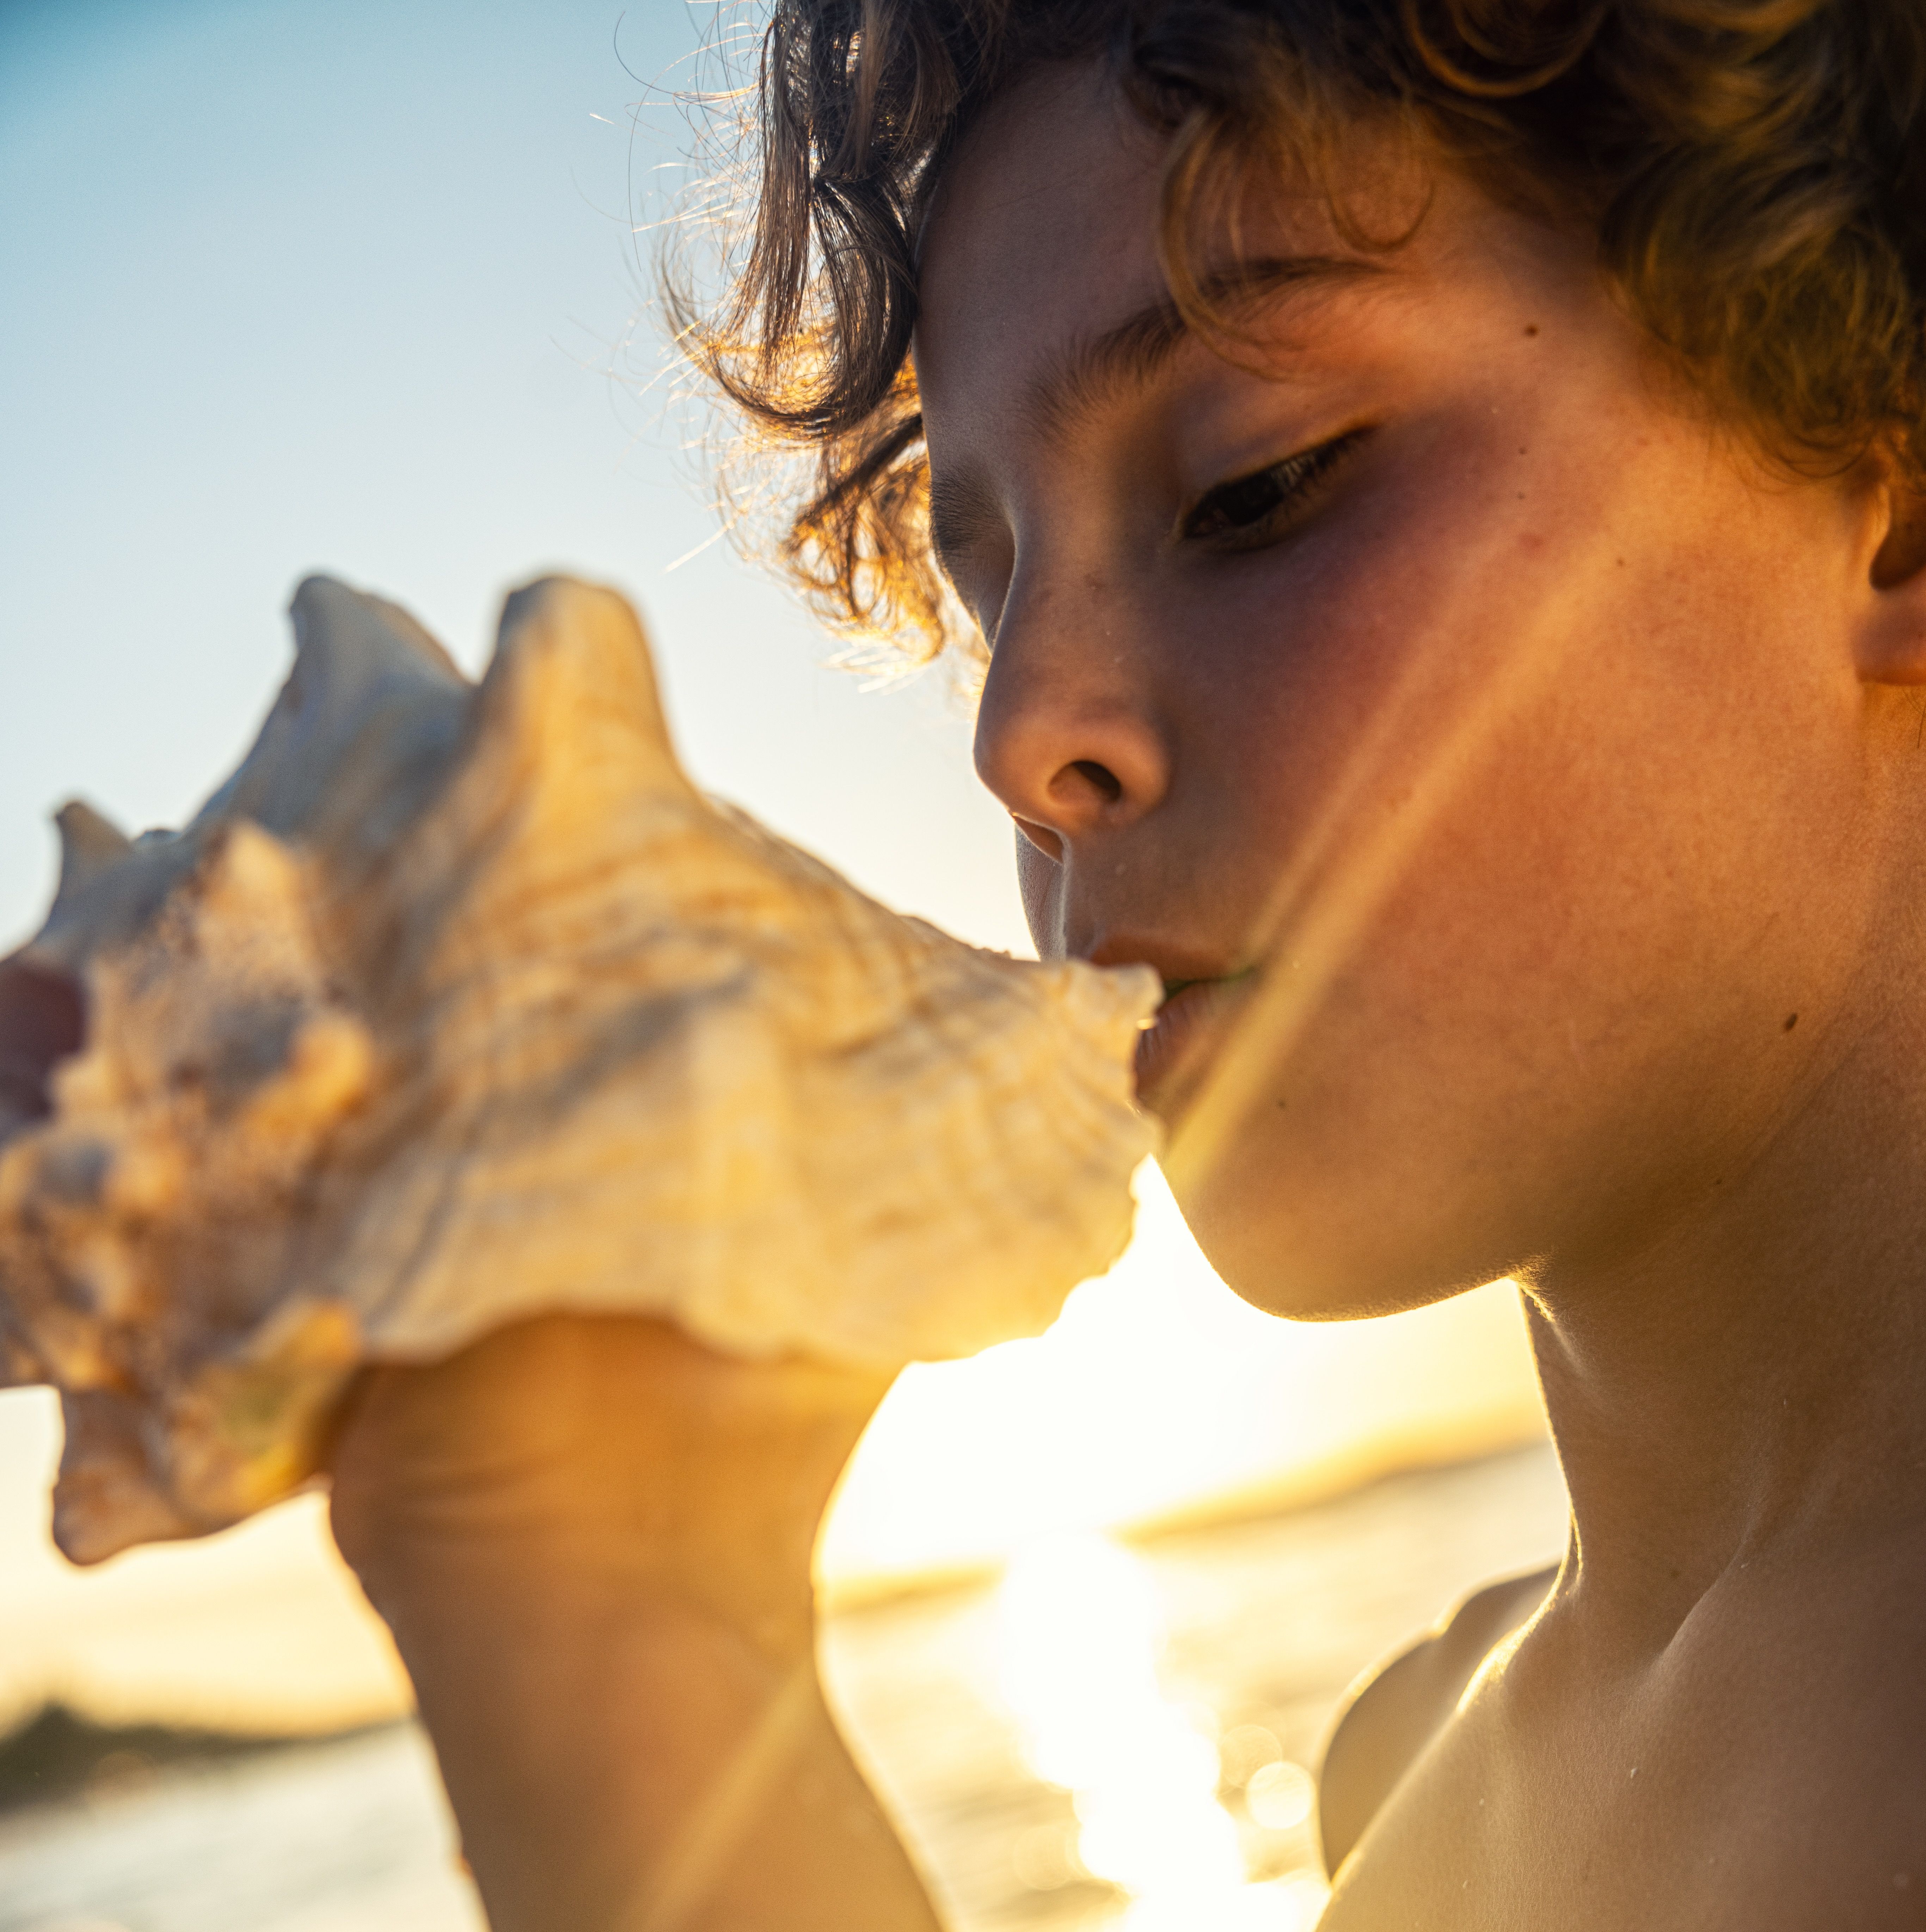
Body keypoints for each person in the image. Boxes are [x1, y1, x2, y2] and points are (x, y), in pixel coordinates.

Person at [10, 0, 1926, 1924]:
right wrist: (606, 1604)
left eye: (1255, 479)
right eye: (984, 587)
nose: (1020, 730)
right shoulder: (1406, 1769)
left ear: (1889, 492)